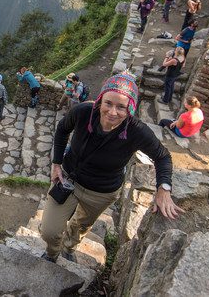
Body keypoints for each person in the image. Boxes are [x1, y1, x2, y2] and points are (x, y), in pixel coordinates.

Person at [40, 72, 180, 263]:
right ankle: (52, 252)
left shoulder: (137, 131)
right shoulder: (83, 112)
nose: (113, 112)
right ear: (100, 100)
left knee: (81, 224)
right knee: (49, 230)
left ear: (130, 108)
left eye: (121, 107)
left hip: (101, 192)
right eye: (108, 103)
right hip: (68, 179)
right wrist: (56, 163)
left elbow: (163, 156)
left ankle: (69, 247)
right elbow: (63, 129)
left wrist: (164, 189)